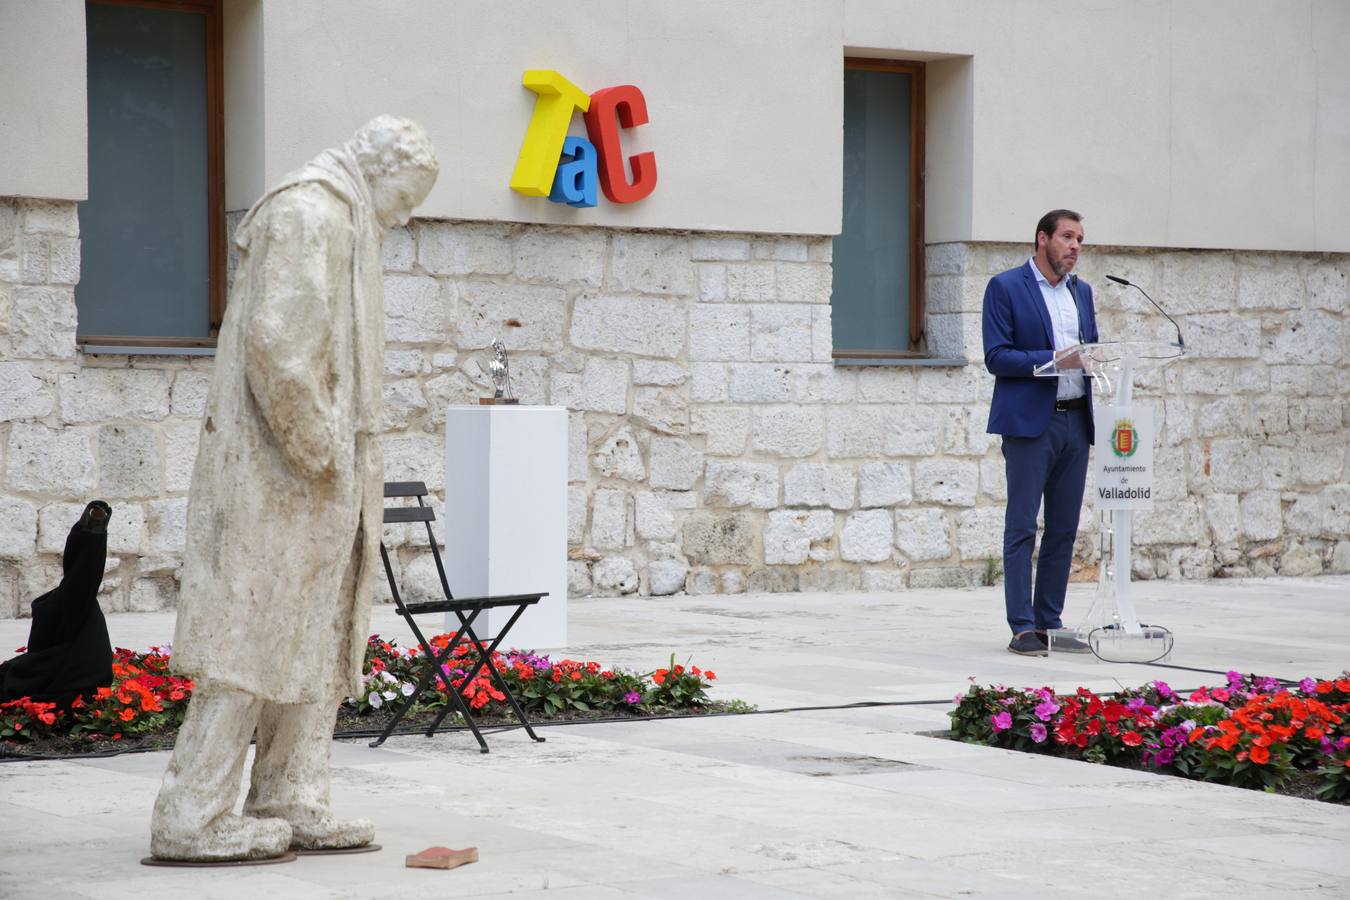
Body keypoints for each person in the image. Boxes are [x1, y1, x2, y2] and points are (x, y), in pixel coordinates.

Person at [149, 116, 438, 862]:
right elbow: (280, 346)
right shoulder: (310, 214)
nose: (406, 214)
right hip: (285, 467)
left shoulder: (346, 217)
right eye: (407, 195)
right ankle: (192, 814)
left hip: (327, 469)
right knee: (251, 631)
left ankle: (291, 792)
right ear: (378, 169)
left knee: (317, 632)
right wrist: (321, 453)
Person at [982, 209, 1098, 657]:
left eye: (1080, 239)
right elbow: (997, 356)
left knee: (1065, 528)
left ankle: (1050, 622)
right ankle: (1022, 627)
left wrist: (1096, 361)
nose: (1075, 247)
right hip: (1032, 423)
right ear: (1042, 238)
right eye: (1067, 237)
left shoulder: (1082, 293)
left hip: (1076, 419)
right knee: (1022, 526)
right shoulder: (1006, 287)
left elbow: (1089, 350)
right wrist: (1056, 359)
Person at [0, 501, 113, 705]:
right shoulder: (69, 604)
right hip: (69, 654)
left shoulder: (79, 609)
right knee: (77, 586)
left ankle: (93, 529)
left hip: (74, 672)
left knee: (79, 585)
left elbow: (85, 573)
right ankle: (92, 529)